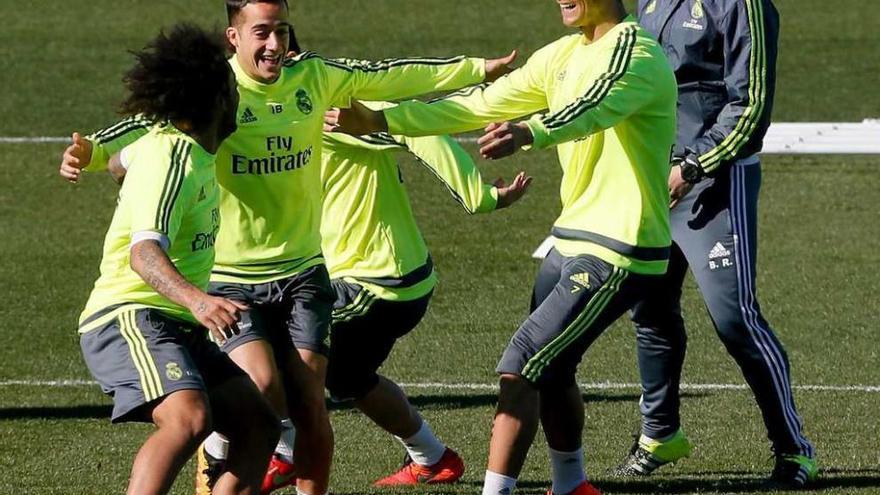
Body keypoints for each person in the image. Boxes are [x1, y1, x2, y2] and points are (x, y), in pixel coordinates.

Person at [59, 2, 515, 493]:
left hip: (302, 272)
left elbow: (388, 76)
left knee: (306, 400)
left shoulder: (311, 79)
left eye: (281, 31)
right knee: (256, 389)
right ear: (233, 36)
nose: (275, 44)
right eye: (262, 32)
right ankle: (220, 463)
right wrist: (93, 154)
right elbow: (146, 130)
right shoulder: (209, 93)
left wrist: (475, 68)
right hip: (231, 282)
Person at [329, 1, 678, 493]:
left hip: (622, 245)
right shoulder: (562, 54)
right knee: (554, 369)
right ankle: (572, 485)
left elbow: (591, 110)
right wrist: (383, 120)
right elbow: (482, 103)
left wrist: (530, 130)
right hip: (571, 236)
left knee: (521, 362)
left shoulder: (636, 55)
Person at [610, 0, 817, 488]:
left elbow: (749, 106)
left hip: (713, 182)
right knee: (651, 311)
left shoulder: (744, 6)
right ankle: (660, 434)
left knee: (734, 319)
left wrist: (694, 166)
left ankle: (794, 450)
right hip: (653, 176)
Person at [72, 24, 280, 495]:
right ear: (214, 100)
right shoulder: (174, 156)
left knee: (259, 425)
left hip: (174, 323)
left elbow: (116, 162)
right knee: (189, 419)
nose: (237, 92)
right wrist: (200, 302)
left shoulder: (173, 149)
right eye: (230, 85)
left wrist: (123, 168)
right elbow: (144, 253)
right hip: (130, 314)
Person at [321, 100, 531, 486]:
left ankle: (279, 452)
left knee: (275, 342)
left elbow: (414, 124)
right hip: (358, 276)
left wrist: (480, 196)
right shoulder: (262, 121)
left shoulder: (325, 109)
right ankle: (432, 458)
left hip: (379, 280)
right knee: (346, 377)